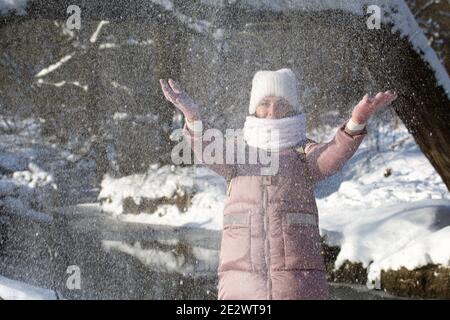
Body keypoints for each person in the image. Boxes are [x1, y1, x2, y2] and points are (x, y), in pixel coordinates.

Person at [159, 68, 397, 300]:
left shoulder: (303, 153)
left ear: (291, 110)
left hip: (298, 291)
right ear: (254, 109)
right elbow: (207, 149)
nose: (272, 110)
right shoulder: (237, 153)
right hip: (240, 291)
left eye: (280, 104)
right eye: (265, 103)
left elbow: (332, 155)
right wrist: (192, 118)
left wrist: (356, 121)